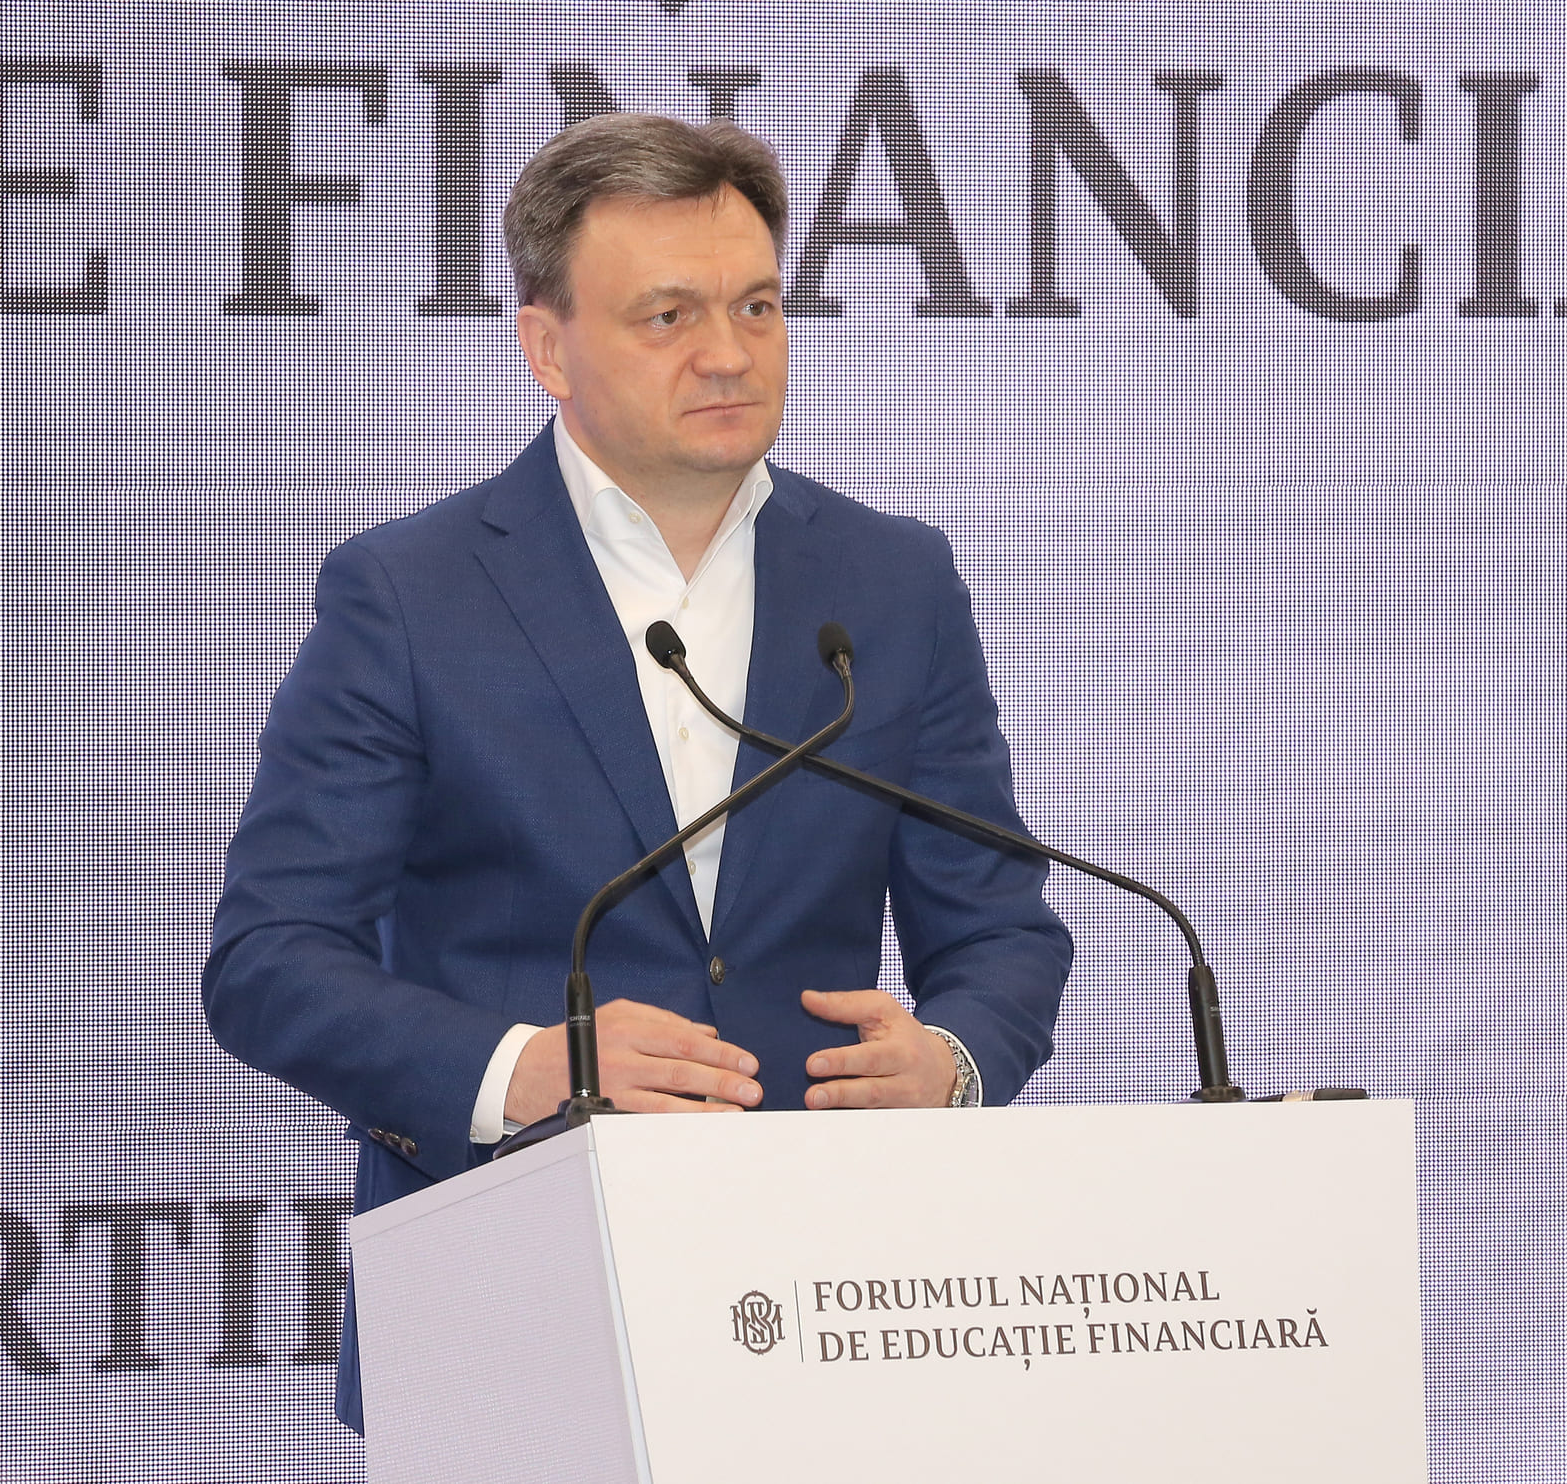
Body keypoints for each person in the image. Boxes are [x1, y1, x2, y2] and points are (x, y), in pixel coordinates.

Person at [203, 112, 1073, 1430]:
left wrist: (950, 1059)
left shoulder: (893, 582)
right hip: (500, 1292)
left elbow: (1000, 926)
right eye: (667, 317)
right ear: (547, 347)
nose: (728, 353)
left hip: (834, 1299)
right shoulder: (410, 593)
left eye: (757, 305)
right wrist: (523, 1066)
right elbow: (268, 960)